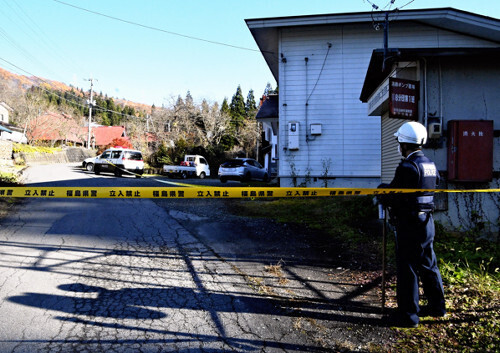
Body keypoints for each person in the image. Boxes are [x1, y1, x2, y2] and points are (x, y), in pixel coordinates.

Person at [379, 121, 446, 328]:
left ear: (404, 144)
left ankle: (408, 316)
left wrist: (382, 192)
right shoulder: (429, 164)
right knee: (429, 264)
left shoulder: (407, 166)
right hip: (427, 223)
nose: (399, 146)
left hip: (409, 224)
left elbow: (395, 195)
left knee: (407, 268)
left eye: (399, 142)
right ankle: (438, 307)